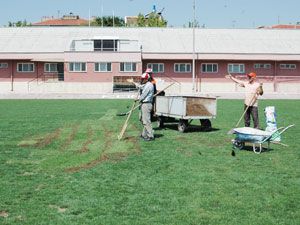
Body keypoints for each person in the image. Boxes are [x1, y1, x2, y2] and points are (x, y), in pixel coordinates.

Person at [136, 72, 155, 141]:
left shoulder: (149, 85)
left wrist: (138, 99)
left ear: (147, 79)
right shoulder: (146, 84)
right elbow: (140, 87)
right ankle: (144, 134)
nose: (142, 80)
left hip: (146, 104)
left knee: (146, 120)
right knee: (143, 119)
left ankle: (150, 136)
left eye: (143, 79)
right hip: (144, 104)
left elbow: (144, 94)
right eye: (141, 79)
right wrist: (134, 83)